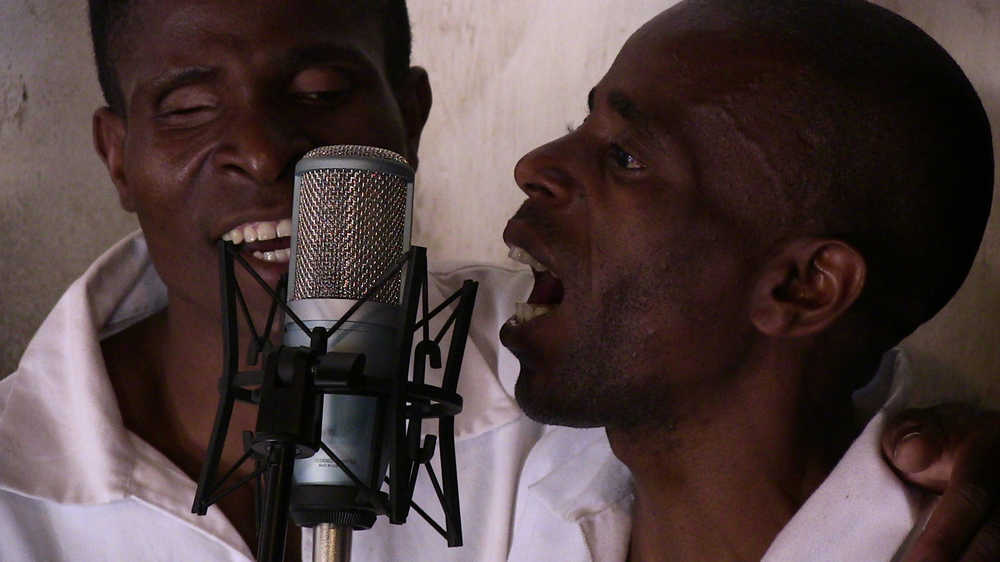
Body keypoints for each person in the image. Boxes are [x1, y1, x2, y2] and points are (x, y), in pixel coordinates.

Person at [0, 0, 995, 561]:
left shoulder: (542, 377)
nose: (263, 153)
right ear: (115, 154)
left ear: (411, 114)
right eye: (185, 108)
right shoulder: (13, 484)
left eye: (317, 94)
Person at [494, 0, 996, 560]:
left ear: (802, 287)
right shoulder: (506, 467)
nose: (533, 166)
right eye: (579, 126)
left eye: (625, 156)